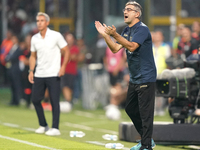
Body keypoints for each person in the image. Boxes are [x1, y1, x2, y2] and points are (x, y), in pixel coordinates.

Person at [95, 1, 156, 150]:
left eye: (129, 9)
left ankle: (146, 145)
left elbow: (132, 46)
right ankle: (148, 140)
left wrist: (114, 34)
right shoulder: (127, 31)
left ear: (137, 14)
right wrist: (105, 36)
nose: (125, 11)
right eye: (125, 9)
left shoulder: (142, 29)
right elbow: (116, 48)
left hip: (146, 77)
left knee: (145, 113)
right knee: (130, 109)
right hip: (135, 78)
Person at [28, 12, 70, 136]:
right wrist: (31, 70)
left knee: (54, 100)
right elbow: (32, 56)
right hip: (39, 73)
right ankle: (43, 125)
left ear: (47, 22)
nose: (39, 23)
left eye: (41, 20)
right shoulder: (34, 38)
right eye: (37, 21)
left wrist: (63, 67)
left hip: (53, 73)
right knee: (35, 100)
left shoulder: (56, 36)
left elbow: (66, 51)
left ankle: (55, 128)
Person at [60, 33, 79, 112]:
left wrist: (66, 54)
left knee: (70, 87)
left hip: (71, 71)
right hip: (63, 70)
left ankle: (69, 101)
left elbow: (74, 57)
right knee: (64, 86)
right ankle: (68, 101)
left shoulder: (75, 48)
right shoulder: (63, 47)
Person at [5, 35, 23, 106]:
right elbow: (7, 56)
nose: (13, 40)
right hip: (11, 70)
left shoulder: (18, 49)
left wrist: (8, 58)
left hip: (16, 70)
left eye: (14, 39)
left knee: (16, 85)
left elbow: (12, 57)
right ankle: (13, 101)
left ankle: (17, 100)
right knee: (12, 86)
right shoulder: (11, 48)